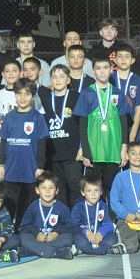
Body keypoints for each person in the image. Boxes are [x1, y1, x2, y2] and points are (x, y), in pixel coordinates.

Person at [75, 56, 131, 199]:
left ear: (112, 69)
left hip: (113, 150)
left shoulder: (118, 93)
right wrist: (86, 151)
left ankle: (111, 213)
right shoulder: (87, 94)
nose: (102, 72)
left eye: (105, 68)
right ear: (93, 70)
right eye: (98, 68)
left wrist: (124, 148)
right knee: (93, 189)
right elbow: (82, 126)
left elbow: (124, 123)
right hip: (94, 151)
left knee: (112, 190)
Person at [0, 77, 50, 227]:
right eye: (19, 93)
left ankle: (28, 228)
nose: (22, 97)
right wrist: (1, 164)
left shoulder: (37, 117)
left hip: (31, 169)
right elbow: (3, 141)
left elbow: (42, 144)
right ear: (15, 95)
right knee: (9, 202)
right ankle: (8, 229)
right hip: (11, 168)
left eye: (27, 94)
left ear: (32, 96)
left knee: (30, 203)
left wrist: (40, 167)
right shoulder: (9, 117)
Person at [39, 65, 83, 205]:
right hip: (53, 153)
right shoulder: (45, 99)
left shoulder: (76, 97)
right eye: (54, 77)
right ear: (50, 80)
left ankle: (77, 216)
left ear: (68, 80)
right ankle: (62, 216)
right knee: (58, 188)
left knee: (75, 186)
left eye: (62, 76)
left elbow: (83, 124)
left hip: (73, 152)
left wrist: (82, 147)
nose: (58, 80)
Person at [19, 171, 74, 259]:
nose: (47, 191)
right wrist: (37, 233)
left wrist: (56, 233)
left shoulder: (62, 208)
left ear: (57, 190)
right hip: (37, 238)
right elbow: (24, 226)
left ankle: (31, 252)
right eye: (43, 187)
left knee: (68, 238)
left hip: (53, 239)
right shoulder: (33, 207)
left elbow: (69, 225)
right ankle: (56, 253)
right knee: (23, 237)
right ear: (37, 190)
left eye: (51, 188)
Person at [71, 173, 125, 255]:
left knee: (113, 238)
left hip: (99, 236)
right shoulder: (78, 207)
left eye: (96, 190)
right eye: (89, 191)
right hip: (85, 236)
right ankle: (107, 250)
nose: (93, 194)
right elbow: (72, 226)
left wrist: (101, 233)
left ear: (101, 192)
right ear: (82, 192)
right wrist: (86, 232)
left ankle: (84, 250)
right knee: (79, 241)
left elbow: (109, 224)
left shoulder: (103, 206)